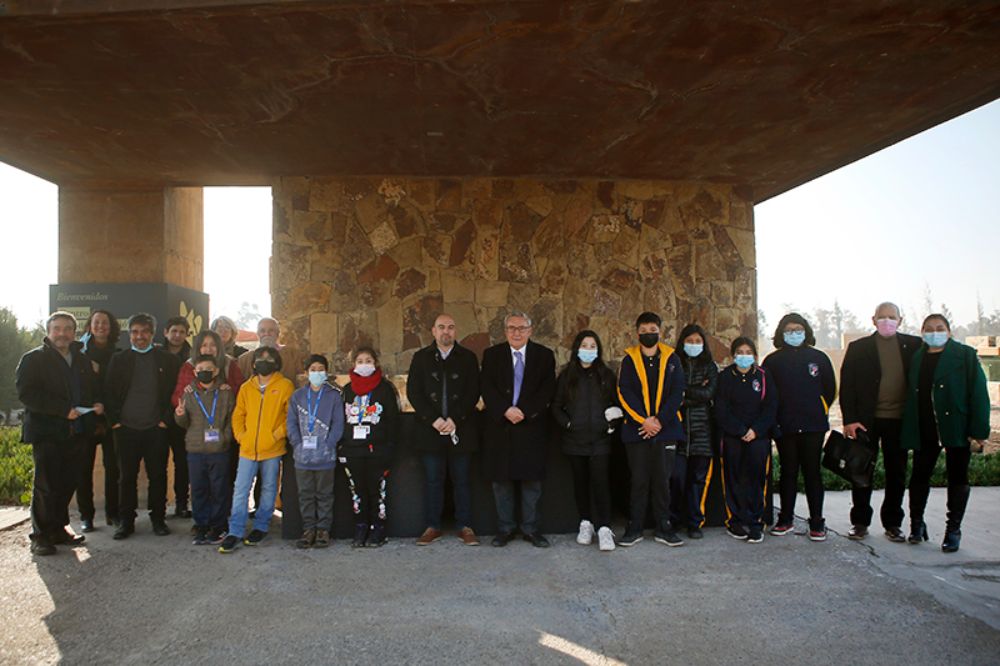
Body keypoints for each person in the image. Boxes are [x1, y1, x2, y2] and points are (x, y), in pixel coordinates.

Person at [16, 312, 103, 556]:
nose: (62, 333)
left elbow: (90, 389)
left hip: (76, 432)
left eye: (67, 329)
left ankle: (58, 528)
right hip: (47, 433)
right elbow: (27, 394)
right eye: (57, 329)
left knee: (67, 483)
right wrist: (62, 411)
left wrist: (96, 403)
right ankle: (40, 536)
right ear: (48, 331)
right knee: (46, 486)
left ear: (75, 332)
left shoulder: (81, 360)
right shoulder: (33, 360)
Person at [901, 314, 990, 552]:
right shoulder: (917, 357)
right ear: (922, 332)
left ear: (949, 331)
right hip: (925, 427)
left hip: (957, 427)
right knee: (919, 476)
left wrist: (979, 430)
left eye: (939, 328)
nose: (934, 332)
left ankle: (953, 530)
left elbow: (979, 393)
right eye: (928, 329)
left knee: (957, 477)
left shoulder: (965, 355)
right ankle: (916, 525)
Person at [839, 302, 921, 542]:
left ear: (901, 320)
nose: (887, 321)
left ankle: (893, 523)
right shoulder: (858, 348)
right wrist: (850, 420)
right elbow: (847, 387)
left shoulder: (914, 346)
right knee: (861, 472)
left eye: (891, 317)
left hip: (900, 421)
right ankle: (860, 522)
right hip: (866, 422)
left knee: (896, 473)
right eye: (882, 317)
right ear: (873, 320)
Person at [481, 312, 556, 548]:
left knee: (531, 483)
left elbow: (547, 390)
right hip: (500, 427)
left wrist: (524, 411)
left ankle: (531, 529)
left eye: (521, 328)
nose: (516, 332)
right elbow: (486, 387)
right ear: (505, 331)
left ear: (530, 330)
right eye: (512, 328)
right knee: (501, 482)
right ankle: (505, 529)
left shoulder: (544, 356)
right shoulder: (491, 355)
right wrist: (505, 410)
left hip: (530, 426)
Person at [407, 314, 482, 547]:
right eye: (441, 327)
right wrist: (434, 419)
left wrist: (455, 419)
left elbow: (473, 392)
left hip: (460, 429)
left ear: (455, 331)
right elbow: (414, 392)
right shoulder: (420, 358)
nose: (446, 332)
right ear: (433, 331)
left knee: (462, 480)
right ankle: (433, 526)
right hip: (431, 430)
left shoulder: (468, 358)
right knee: (432, 480)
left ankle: (465, 526)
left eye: (450, 327)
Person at [105, 313, 181, 540]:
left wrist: (165, 421)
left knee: (158, 476)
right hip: (126, 429)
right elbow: (108, 393)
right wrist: (115, 422)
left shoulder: (167, 360)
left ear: (152, 333)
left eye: (145, 332)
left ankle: (158, 519)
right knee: (126, 477)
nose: (140, 336)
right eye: (135, 332)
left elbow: (175, 395)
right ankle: (126, 522)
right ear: (130, 334)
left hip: (155, 429)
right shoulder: (119, 359)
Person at [762, 313, 836, 541]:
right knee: (788, 473)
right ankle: (785, 519)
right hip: (785, 427)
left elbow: (830, 389)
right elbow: (768, 394)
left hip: (813, 426)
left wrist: (819, 409)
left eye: (798, 329)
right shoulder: (772, 361)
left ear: (806, 331)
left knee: (813, 473)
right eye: (789, 330)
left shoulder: (819, 358)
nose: (794, 333)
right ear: (781, 334)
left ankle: (817, 523)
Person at [616, 311, 686, 548]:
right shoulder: (629, 359)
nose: (648, 335)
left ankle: (664, 527)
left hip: (665, 429)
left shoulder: (673, 358)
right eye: (644, 331)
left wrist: (659, 422)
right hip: (637, 429)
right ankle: (634, 527)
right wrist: (644, 421)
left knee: (662, 481)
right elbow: (624, 392)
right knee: (638, 480)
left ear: (660, 331)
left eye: (653, 331)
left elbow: (678, 393)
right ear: (637, 333)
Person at [218, 347, 294, 553]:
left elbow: (290, 416)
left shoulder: (285, 386)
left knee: (269, 489)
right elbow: (238, 415)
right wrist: (242, 436)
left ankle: (261, 526)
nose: (264, 362)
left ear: (276, 363)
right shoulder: (246, 387)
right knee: (241, 490)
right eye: (260, 359)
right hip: (247, 449)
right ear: (253, 364)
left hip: (272, 449)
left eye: (269, 359)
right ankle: (235, 530)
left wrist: (275, 435)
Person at [551, 330, 621, 552]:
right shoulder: (567, 375)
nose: (588, 350)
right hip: (574, 441)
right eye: (584, 345)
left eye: (592, 346)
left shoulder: (607, 375)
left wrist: (611, 425)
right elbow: (556, 406)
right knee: (580, 484)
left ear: (598, 350)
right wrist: (569, 424)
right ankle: (586, 523)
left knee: (601, 484)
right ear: (577, 349)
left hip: (600, 441)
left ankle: (604, 529)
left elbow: (617, 404)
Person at [715, 337, 778, 544]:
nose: (744, 356)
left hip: (758, 437)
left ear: (754, 355)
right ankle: (735, 521)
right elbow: (721, 409)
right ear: (733, 355)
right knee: (732, 478)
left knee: (757, 478)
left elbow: (770, 407)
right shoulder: (725, 377)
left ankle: (755, 523)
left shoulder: (763, 376)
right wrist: (740, 430)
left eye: (747, 351)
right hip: (732, 436)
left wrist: (755, 431)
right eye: (739, 352)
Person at [339, 347, 400, 548]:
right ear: (354, 365)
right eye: (360, 361)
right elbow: (341, 419)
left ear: (375, 363)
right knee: (357, 491)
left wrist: (390, 447)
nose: (364, 364)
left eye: (368, 360)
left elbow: (393, 421)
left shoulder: (385, 388)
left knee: (377, 492)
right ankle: (361, 526)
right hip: (353, 450)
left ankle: (378, 528)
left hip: (378, 450)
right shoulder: (347, 390)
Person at [174, 354, 235, 545]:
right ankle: (201, 525)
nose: (204, 373)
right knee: (199, 489)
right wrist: (180, 415)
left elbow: (232, 420)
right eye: (199, 370)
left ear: (216, 371)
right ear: (194, 372)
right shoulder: (189, 393)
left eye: (208, 369)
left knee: (219, 489)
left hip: (219, 450)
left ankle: (219, 526)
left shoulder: (225, 392)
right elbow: (184, 423)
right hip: (196, 450)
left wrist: (225, 438)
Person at [287, 354, 345, 549]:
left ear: (326, 372)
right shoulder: (297, 396)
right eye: (313, 369)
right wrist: (297, 443)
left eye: (321, 369)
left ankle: (323, 530)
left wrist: (329, 444)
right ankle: (308, 529)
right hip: (302, 457)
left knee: (325, 494)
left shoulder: (334, 395)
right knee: (305, 494)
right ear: (306, 373)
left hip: (326, 456)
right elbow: (291, 423)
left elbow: (338, 423)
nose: (317, 373)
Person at [671, 323, 718, 539]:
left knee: (697, 481)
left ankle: (694, 523)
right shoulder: (673, 363)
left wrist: (684, 393)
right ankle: (673, 520)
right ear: (682, 342)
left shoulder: (709, 366)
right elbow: (671, 395)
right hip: (678, 431)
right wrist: (693, 392)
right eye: (689, 341)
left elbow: (709, 393)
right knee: (677, 479)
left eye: (698, 341)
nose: (693, 344)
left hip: (703, 433)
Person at [75, 309, 121, 531]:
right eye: (97, 322)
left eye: (105, 322)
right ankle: (87, 516)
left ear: (111, 327)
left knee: (114, 468)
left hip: (110, 418)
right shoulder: (79, 353)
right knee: (83, 468)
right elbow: (75, 386)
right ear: (90, 326)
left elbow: (119, 388)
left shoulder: (119, 354)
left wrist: (106, 406)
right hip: (87, 418)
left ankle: (113, 513)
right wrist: (93, 403)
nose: (101, 326)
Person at [161, 315, 192, 518]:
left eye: (182, 332)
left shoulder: (193, 356)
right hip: (161, 418)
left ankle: (182, 503)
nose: (177, 335)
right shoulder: (156, 354)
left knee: (182, 463)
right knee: (159, 464)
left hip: (184, 419)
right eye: (174, 331)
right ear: (166, 332)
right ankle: (160, 506)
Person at [171, 329, 245, 407]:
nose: (209, 349)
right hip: (195, 415)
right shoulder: (189, 366)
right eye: (204, 345)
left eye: (213, 345)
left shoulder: (229, 363)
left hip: (224, 414)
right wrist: (187, 392)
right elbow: (176, 399)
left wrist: (229, 390)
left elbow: (243, 392)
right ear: (198, 348)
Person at [237, 317, 302, 385]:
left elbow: (301, 379)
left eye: (271, 330)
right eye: (262, 331)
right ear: (258, 334)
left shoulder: (292, 354)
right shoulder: (244, 359)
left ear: (278, 333)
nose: (267, 334)